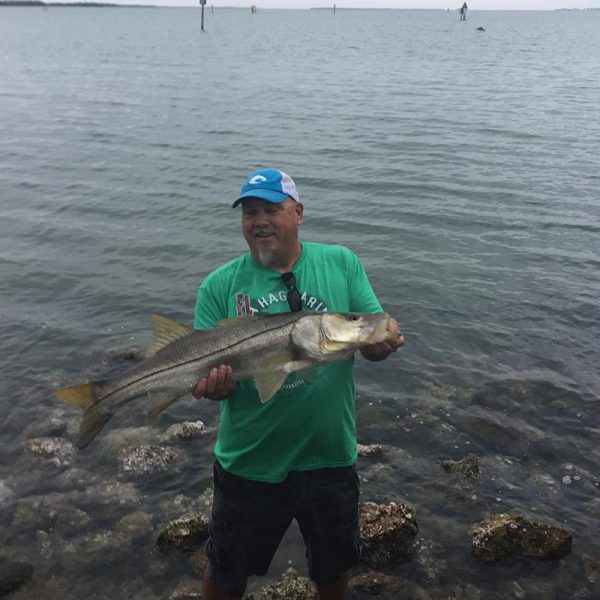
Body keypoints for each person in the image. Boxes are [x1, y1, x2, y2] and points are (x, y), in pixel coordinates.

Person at [192, 168, 404, 600]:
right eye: (251, 212)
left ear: (299, 213)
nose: (260, 220)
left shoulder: (341, 263)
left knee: (333, 566)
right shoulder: (218, 287)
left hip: (328, 456)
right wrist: (214, 386)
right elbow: (209, 380)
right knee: (226, 571)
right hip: (250, 462)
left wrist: (379, 341)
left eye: (272, 208)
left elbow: (369, 326)